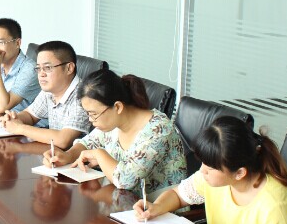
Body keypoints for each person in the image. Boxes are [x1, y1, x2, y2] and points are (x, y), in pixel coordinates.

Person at [133, 117, 287, 224]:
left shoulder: (276, 205)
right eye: (203, 163)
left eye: (210, 168)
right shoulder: (214, 178)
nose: (202, 171)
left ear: (239, 173)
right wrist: (157, 207)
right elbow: (178, 195)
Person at [44, 69, 186, 191]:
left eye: (93, 114)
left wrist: (99, 154)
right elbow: (88, 143)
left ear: (117, 107)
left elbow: (125, 180)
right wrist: (67, 155)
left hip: (156, 209)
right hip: (122, 202)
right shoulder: (114, 123)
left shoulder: (158, 129)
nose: (90, 120)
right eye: (88, 113)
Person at [0, 40, 90, 149]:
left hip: (76, 157)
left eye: (47, 68)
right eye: (38, 68)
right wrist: (14, 119)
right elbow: (30, 115)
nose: (41, 74)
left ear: (69, 68)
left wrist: (20, 128)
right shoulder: (51, 90)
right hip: (53, 154)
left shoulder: (83, 96)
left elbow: (63, 140)